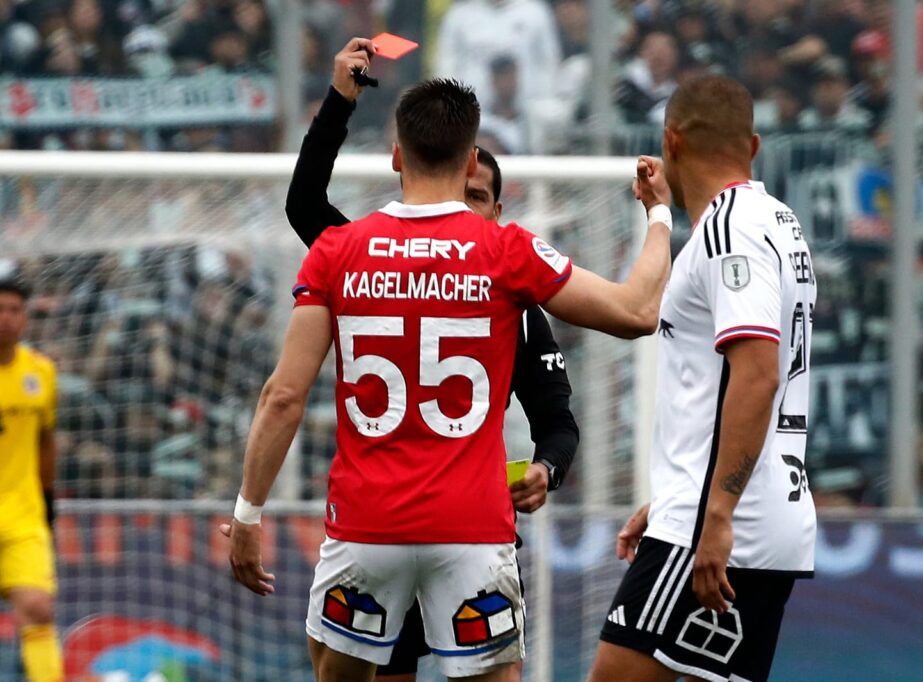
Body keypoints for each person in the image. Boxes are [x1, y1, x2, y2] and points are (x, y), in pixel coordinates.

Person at [222, 39, 673, 682]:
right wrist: (658, 215)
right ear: (469, 164)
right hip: (471, 532)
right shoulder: (507, 251)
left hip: (365, 528)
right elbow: (635, 314)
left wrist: (247, 513)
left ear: (396, 156)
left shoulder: (337, 250)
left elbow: (283, 397)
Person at [284, 40, 581, 682]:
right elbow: (305, 206)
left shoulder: (519, 303)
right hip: (400, 527)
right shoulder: (368, 258)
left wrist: (548, 470)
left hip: (458, 525)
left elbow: (559, 423)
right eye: (463, 190)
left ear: (498, 213)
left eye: (478, 200)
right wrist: (339, 102)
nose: (464, 207)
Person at [590, 74, 817, 682]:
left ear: (671, 141)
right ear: (755, 146)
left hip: (716, 527)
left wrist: (712, 513)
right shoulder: (778, 222)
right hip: (756, 515)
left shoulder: (726, 232)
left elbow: (758, 375)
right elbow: (719, 383)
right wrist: (673, 495)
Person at [0, 278, 63, 682]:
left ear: (25, 317)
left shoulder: (41, 373)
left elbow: (46, 442)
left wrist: (48, 497)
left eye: (14, 310)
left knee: (38, 608)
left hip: (23, 515)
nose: (5, 319)